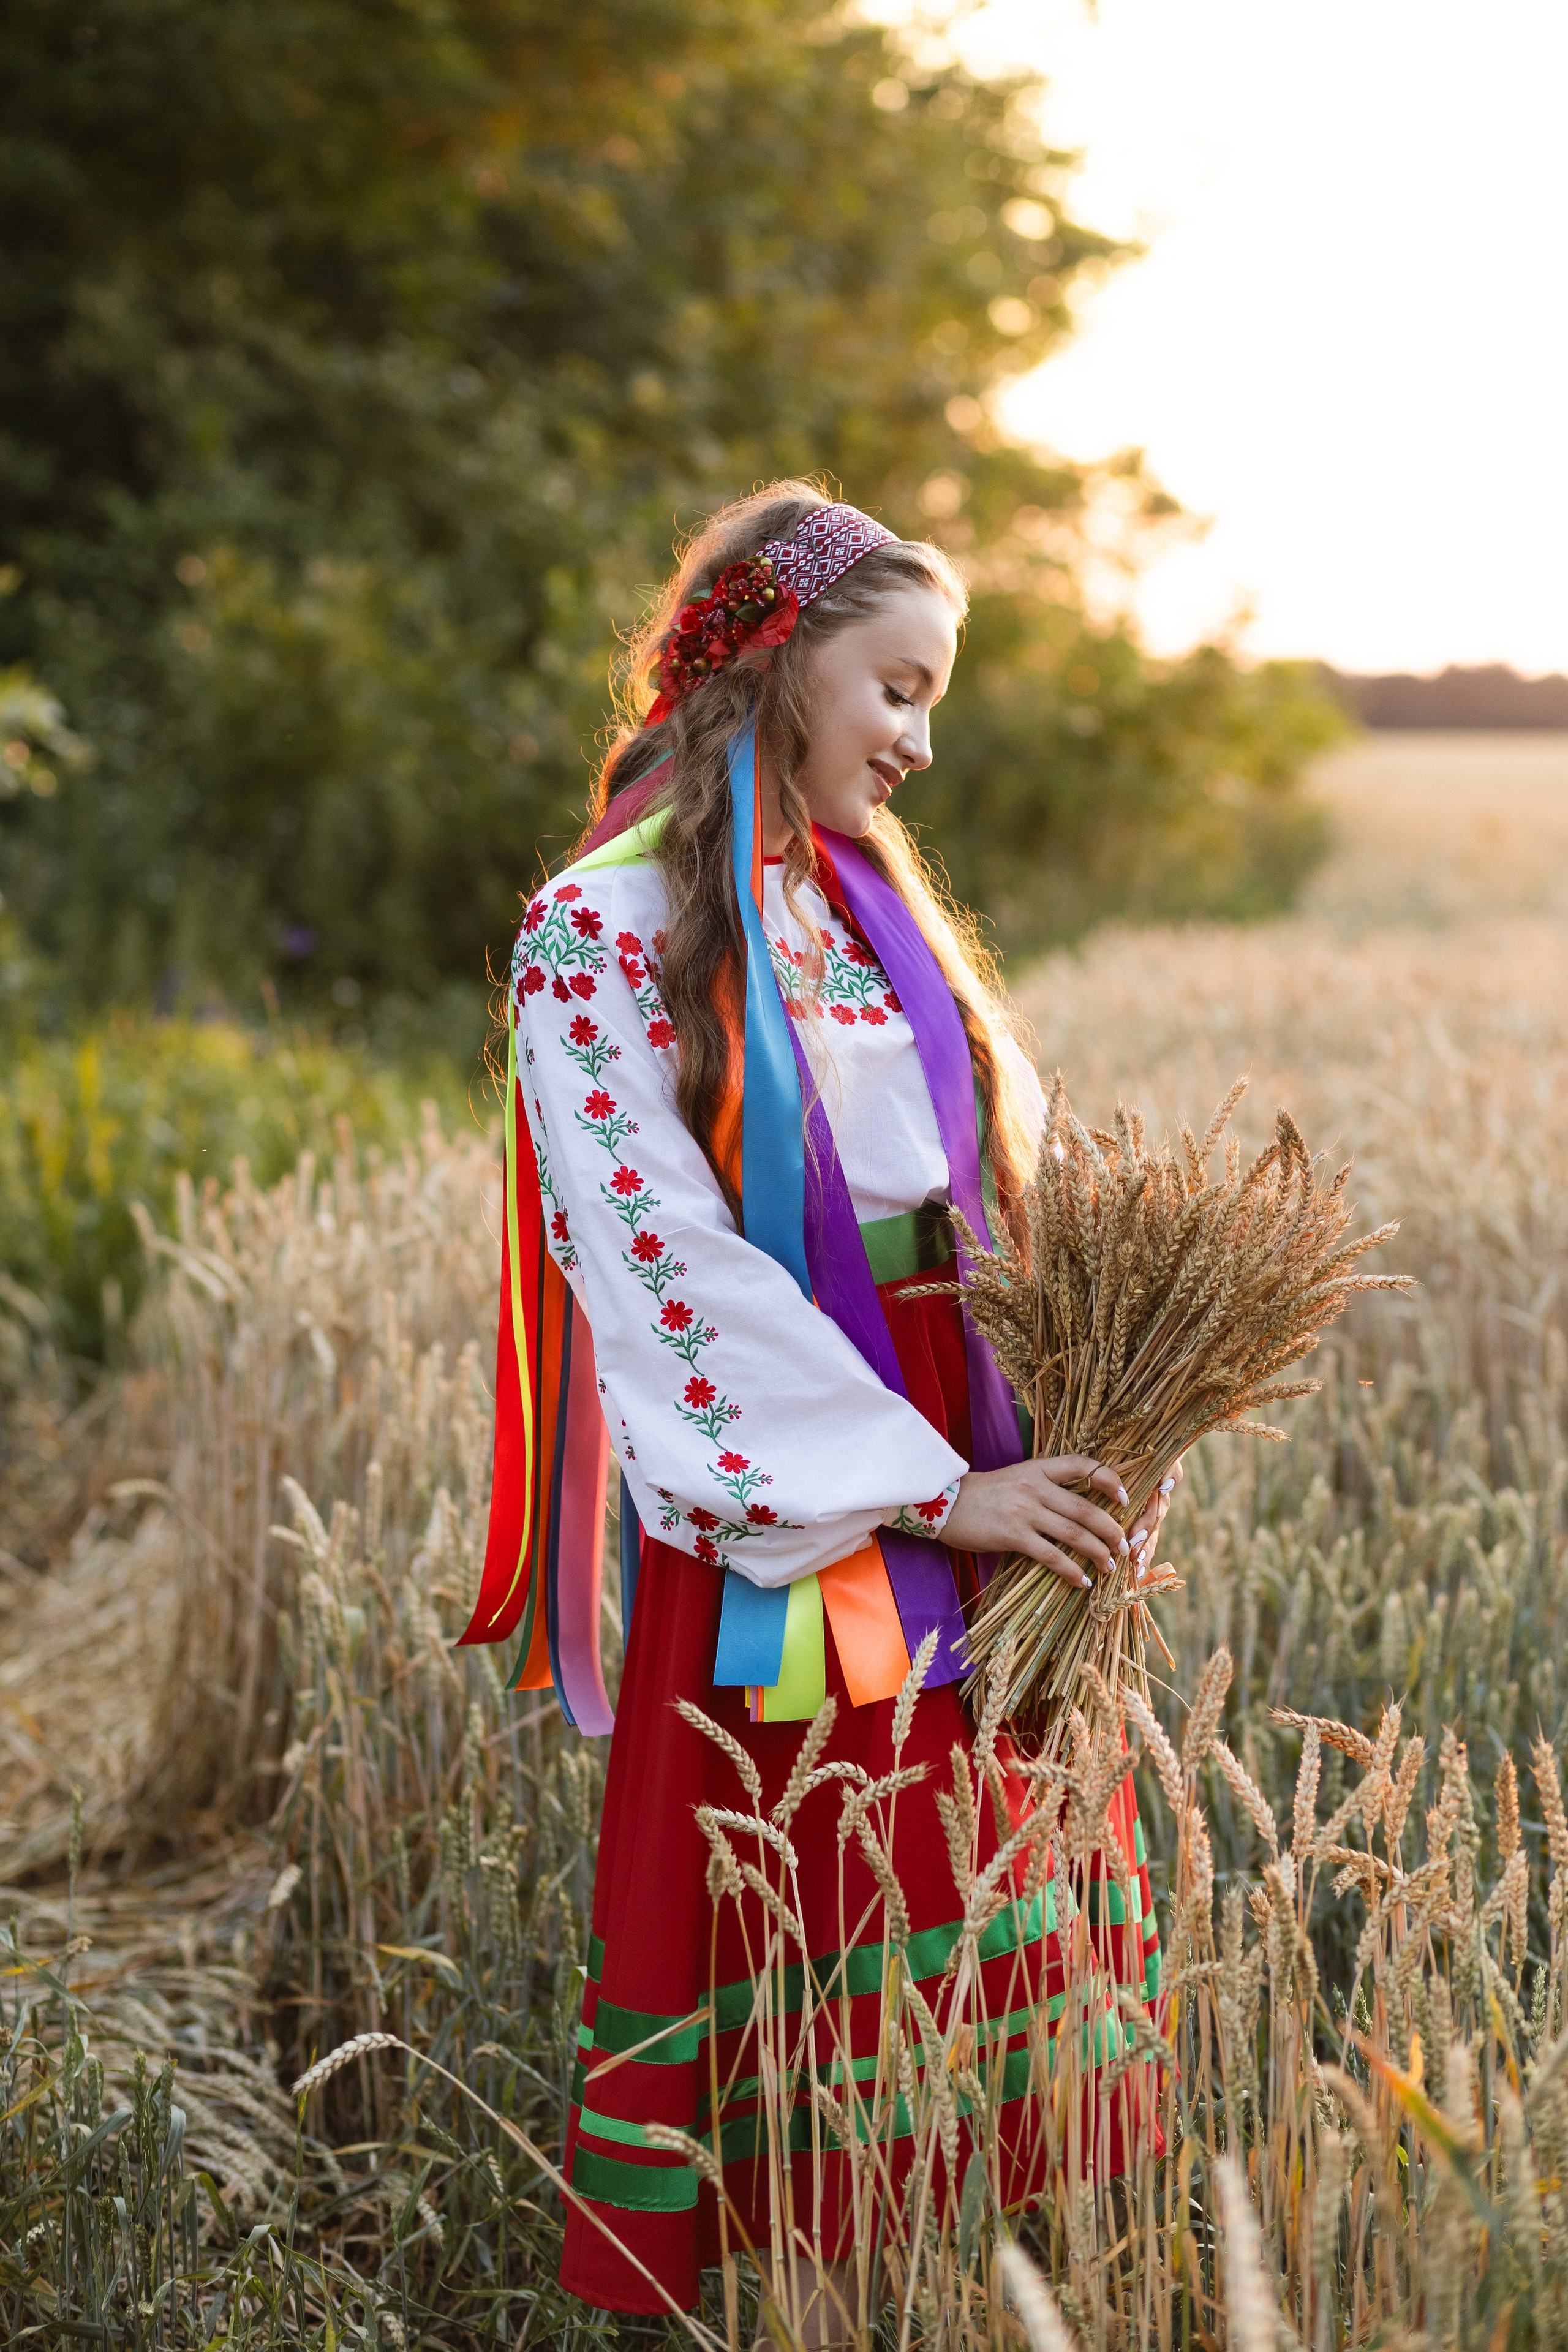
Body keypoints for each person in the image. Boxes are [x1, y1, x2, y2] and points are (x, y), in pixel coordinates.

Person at [460, 483, 1174, 2334]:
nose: (922, 744)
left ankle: (979, 2295)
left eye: (936, 701)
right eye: (899, 691)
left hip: (979, 1439)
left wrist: (1093, 1427)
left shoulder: (874, 906)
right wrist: (934, 1493)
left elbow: (997, 1187)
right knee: (821, 1896)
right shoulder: (596, 932)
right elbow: (663, 1266)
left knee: (993, 1898)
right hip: (819, 1495)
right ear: (779, 666)